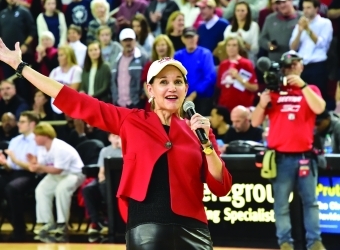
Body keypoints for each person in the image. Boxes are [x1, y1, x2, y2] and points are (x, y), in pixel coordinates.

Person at [0, 38, 232, 249]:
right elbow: (73, 100)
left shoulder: (200, 130)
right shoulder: (130, 120)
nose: (172, 87)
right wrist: (21, 67)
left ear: (185, 89)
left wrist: (207, 145)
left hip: (194, 230)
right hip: (146, 228)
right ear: (150, 90)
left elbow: (220, 187)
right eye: (164, 81)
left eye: (178, 82)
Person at [251, 50, 326, 250]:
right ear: (283, 69)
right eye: (288, 66)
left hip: (305, 157)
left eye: (295, 64)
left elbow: (319, 109)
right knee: (281, 205)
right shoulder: (273, 91)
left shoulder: (311, 90)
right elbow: (255, 121)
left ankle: (315, 242)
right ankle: (285, 243)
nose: (292, 68)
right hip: (280, 158)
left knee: (311, 203)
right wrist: (261, 104)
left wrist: (302, 86)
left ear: (301, 66)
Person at [29, 122, 85, 235]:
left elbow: (58, 169)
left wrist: (39, 167)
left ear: (45, 135)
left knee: (61, 189)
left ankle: (62, 224)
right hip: (57, 175)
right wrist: (34, 166)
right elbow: (43, 167)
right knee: (41, 190)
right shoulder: (41, 148)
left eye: (36, 136)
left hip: (74, 174)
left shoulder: (60, 147)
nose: (34, 138)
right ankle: (47, 223)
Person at [0, 111, 39, 241]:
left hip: (30, 174)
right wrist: (4, 163)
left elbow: (32, 167)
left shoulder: (37, 140)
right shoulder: (15, 140)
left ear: (32, 124)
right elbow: (10, 166)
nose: (18, 124)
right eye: (19, 121)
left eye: (22, 122)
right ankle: (13, 220)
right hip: (13, 172)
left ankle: (19, 227)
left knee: (12, 189)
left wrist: (15, 160)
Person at [82, 133, 122, 234]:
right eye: (114, 136)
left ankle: (111, 219)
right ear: (109, 138)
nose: (117, 139)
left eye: (119, 136)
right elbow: (101, 172)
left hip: (120, 180)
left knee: (107, 188)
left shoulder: (128, 148)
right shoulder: (105, 151)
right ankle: (96, 221)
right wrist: (102, 178)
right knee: (88, 189)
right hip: (106, 179)